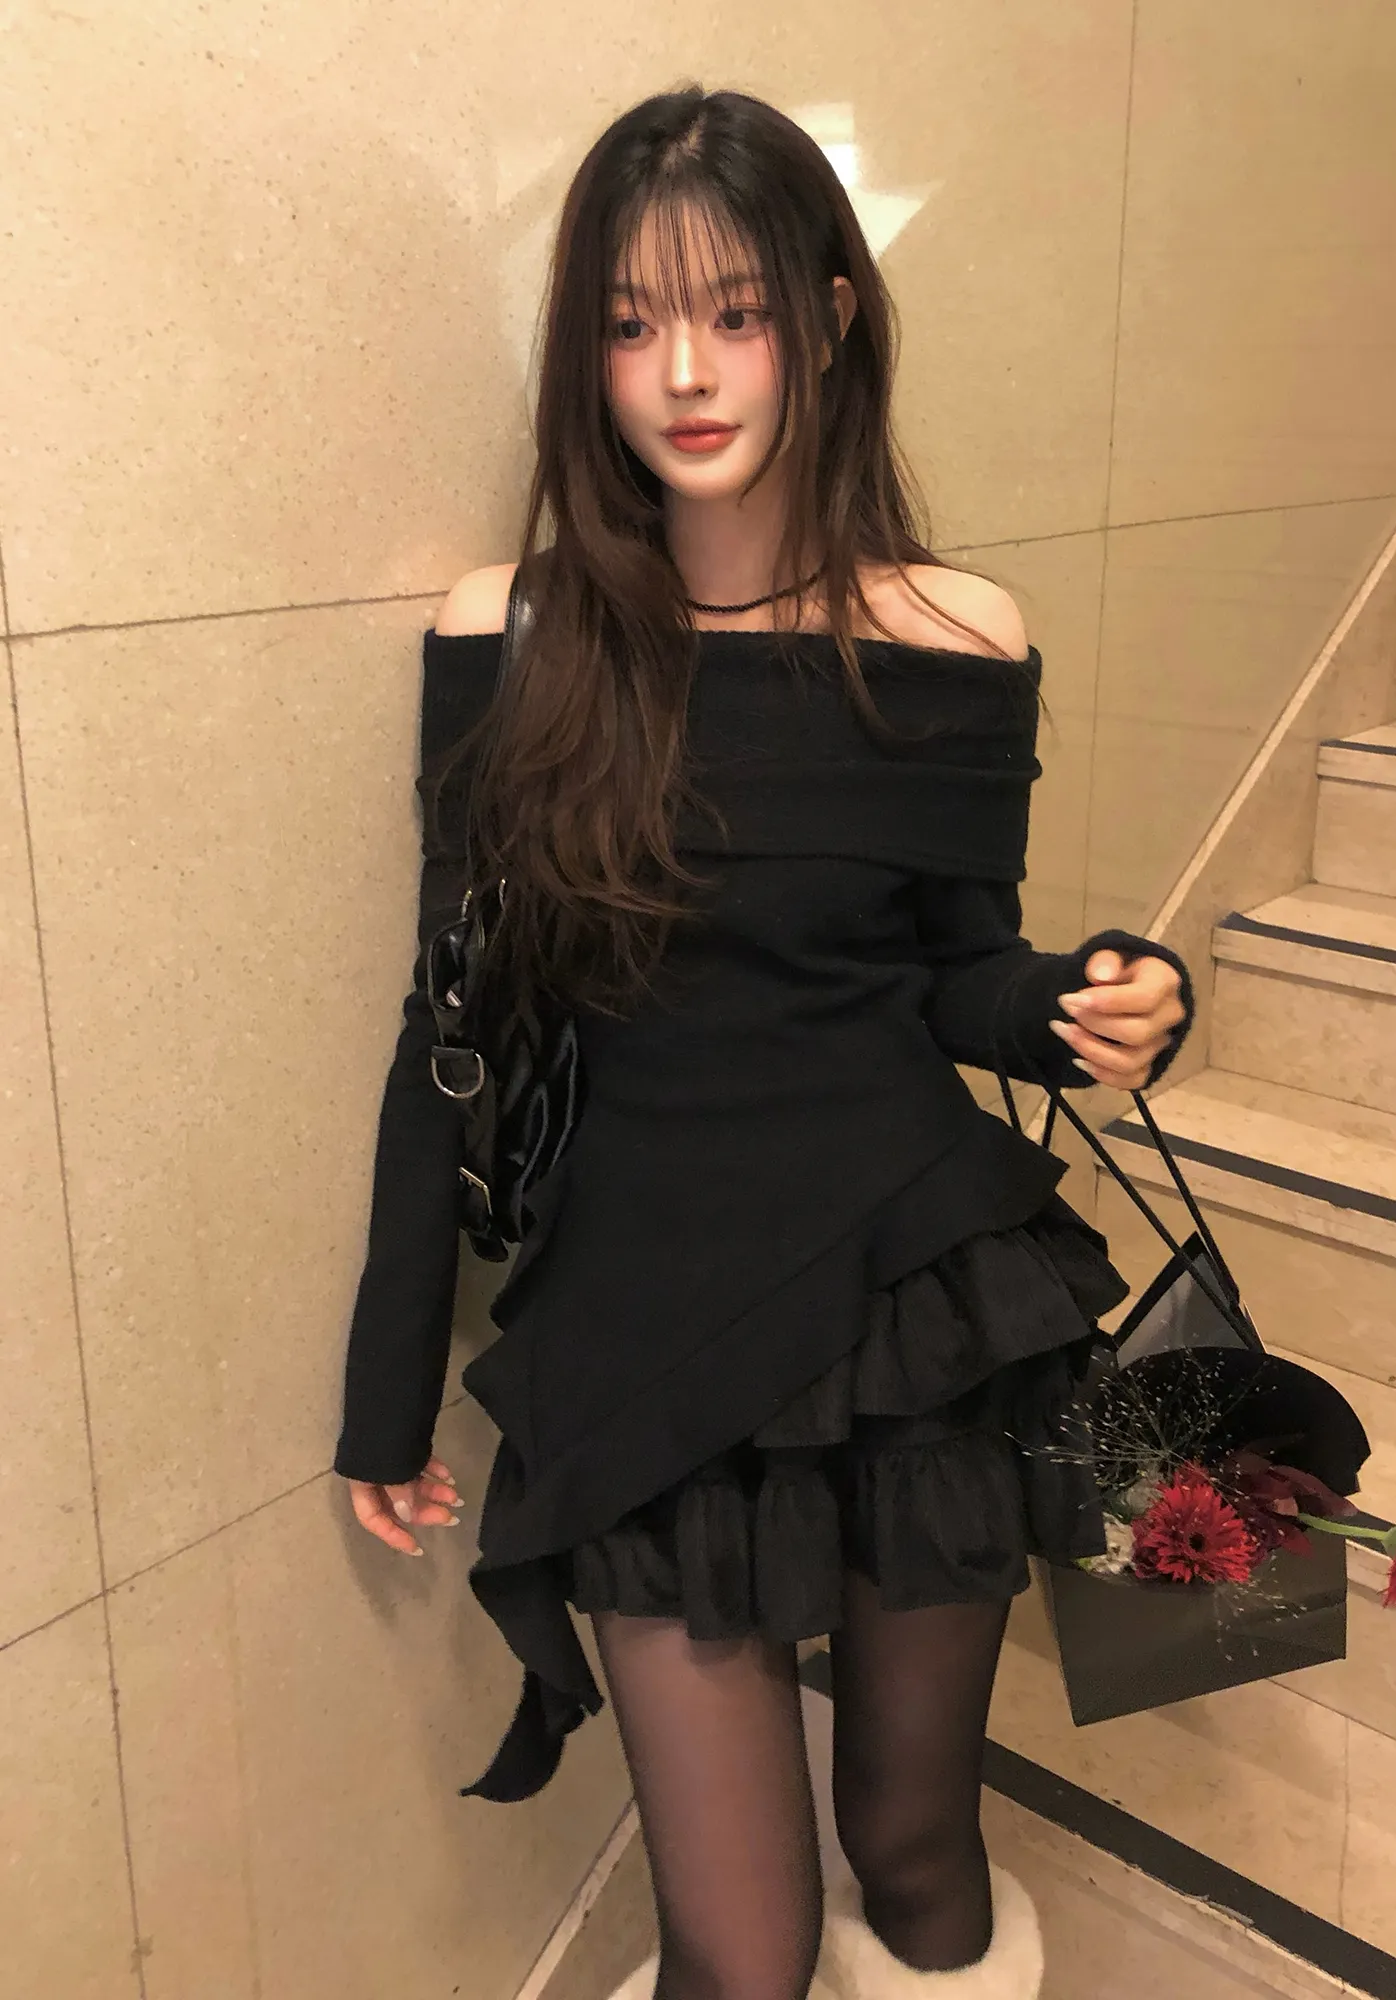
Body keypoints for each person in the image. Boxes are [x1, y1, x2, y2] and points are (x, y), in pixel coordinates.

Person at [335, 85, 1190, 2000]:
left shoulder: (955, 632)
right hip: (644, 1320)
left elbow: (957, 976)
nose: (683, 374)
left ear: (828, 317)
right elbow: (450, 1022)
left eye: (733, 314)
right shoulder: (515, 635)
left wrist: (1097, 1000)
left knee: (918, 1850)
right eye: (629, 324)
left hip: (911, 1292)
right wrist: (387, 1384)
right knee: (742, 1950)